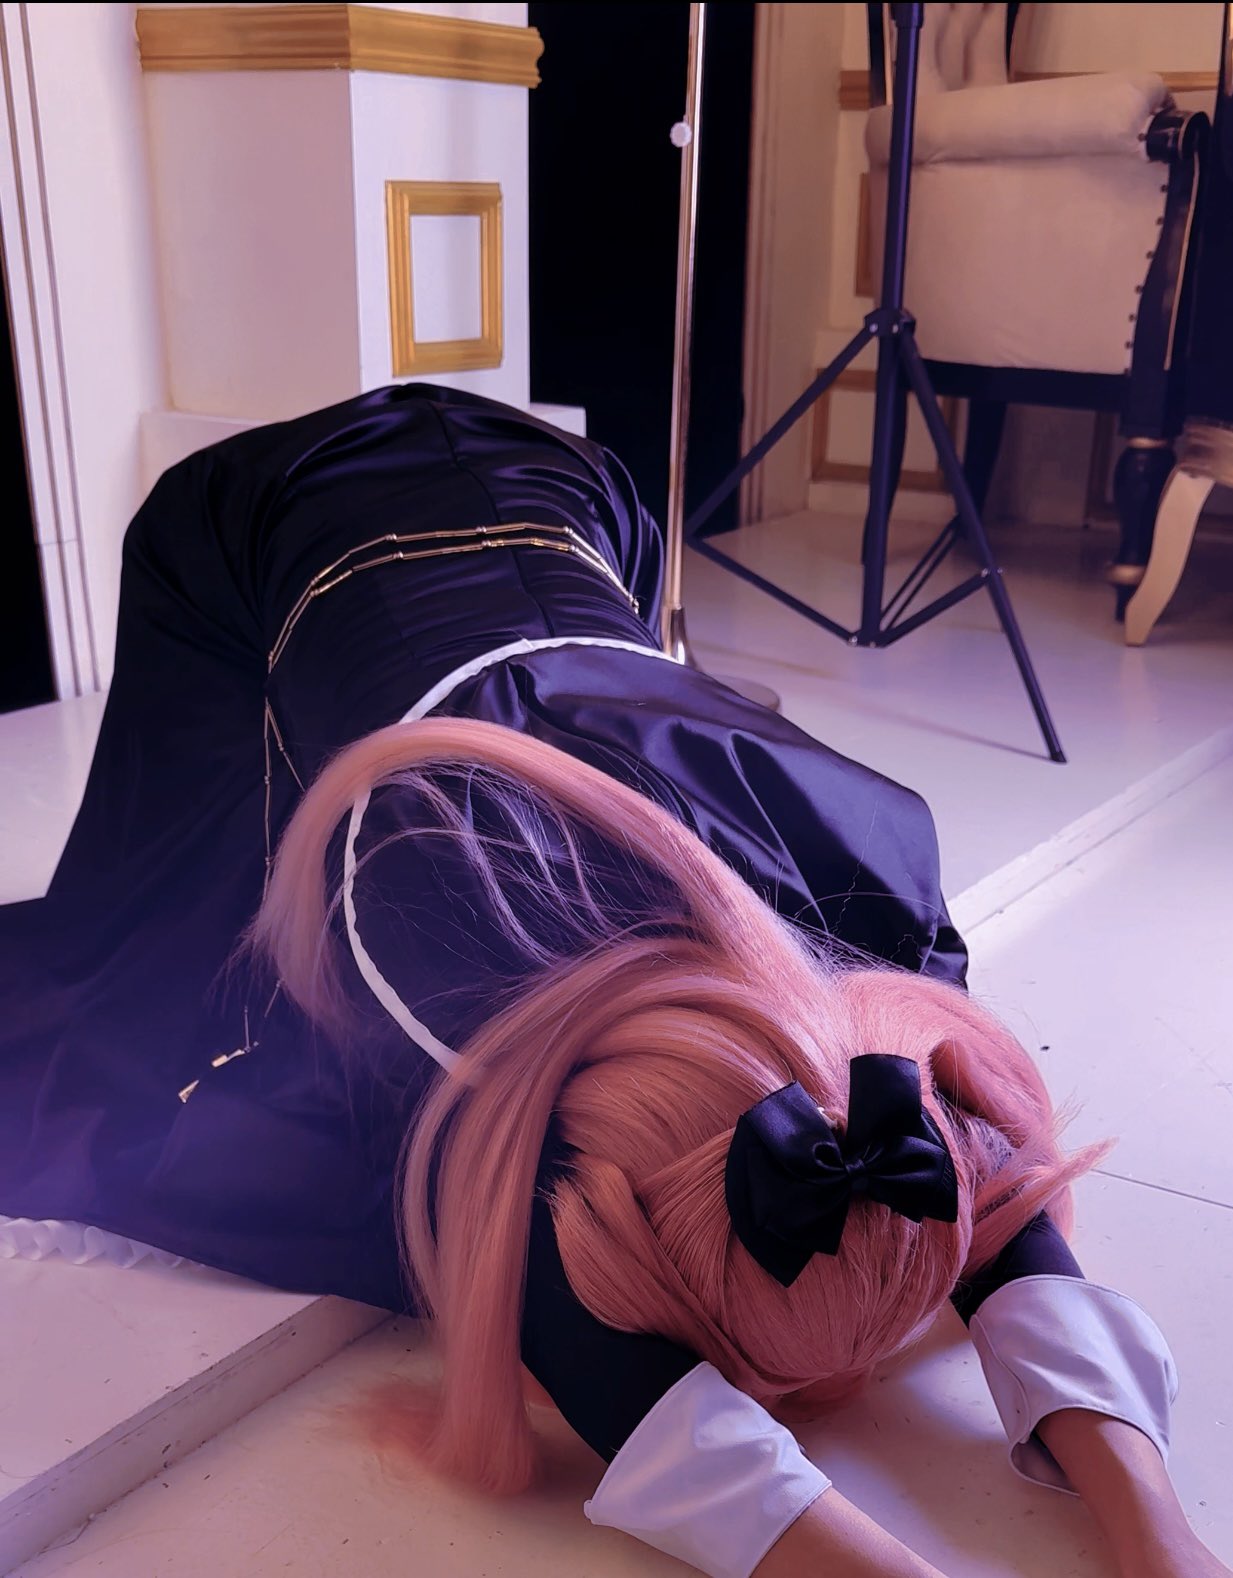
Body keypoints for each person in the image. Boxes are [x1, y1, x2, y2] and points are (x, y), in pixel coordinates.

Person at [0, 385, 1221, 1578]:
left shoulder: (880, 899)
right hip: (261, 513)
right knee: (167, 913)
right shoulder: (421, 935)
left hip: (569, 492)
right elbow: (536, 1278)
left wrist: (1160, 1534)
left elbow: (970, 1174)